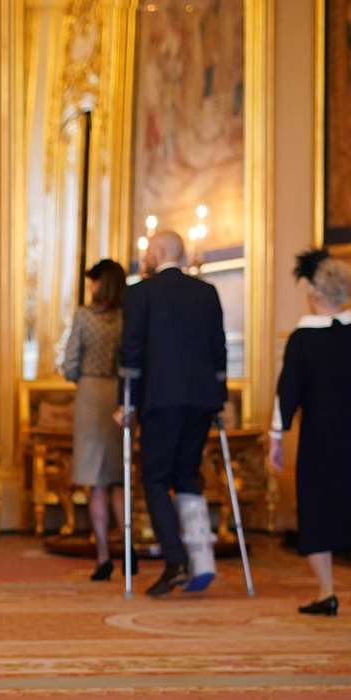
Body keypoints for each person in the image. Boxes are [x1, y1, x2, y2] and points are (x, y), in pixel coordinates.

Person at [118, 229, 226, 597]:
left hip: (160, 399)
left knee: (155, 479)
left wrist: (126, 403)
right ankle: (203, 559)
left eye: (148, 250)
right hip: (201, 399)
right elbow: (219, 349)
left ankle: (176, 560)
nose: (144, 256)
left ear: (160, 251)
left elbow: (130, 353)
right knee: (187, 476)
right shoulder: (206, 292)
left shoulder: (139, 294)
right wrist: (219, 397)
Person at [269, 249, 351, 616]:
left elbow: (287, 392)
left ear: (314, 294)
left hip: (320, 438)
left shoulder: (303, 338)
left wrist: (276, 436)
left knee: (317, 510)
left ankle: (326, 591)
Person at [62, 258, 130, 581]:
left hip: (90, 394)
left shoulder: (84, 316)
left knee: (95, 481)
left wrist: (74, 374)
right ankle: (127, 546)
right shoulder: (125, 318)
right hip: (119, 395)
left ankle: (103, 554)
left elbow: (70, 362)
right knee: (118, 479)